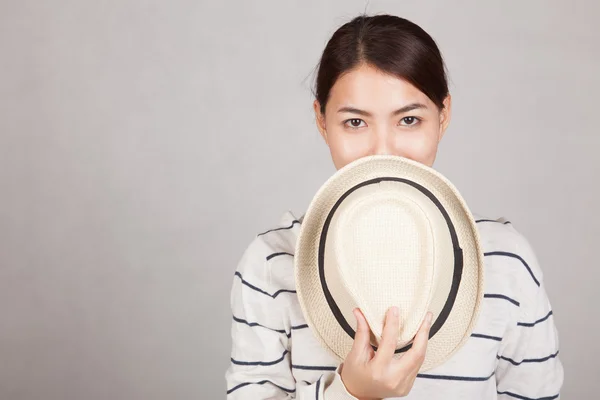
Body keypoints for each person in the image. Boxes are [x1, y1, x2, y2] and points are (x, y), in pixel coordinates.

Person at [224, 13, 563, 399]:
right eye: (355, 122)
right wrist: (348, 392)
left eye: (409, 119)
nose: (383, 151)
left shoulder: (505, 261)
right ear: (321, 121)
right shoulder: (272, 265)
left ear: (443, 115)